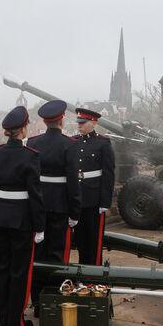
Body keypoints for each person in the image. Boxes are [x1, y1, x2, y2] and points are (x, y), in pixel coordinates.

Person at [0, 106, 45, 326]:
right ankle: (16, 325)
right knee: (20, 273)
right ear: (23, 129)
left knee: (2, 272)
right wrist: (39, 226)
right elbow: (35, 196)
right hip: (21, 221)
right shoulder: (30, 156)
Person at [27, 100, 81, 314]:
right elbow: (73, 184)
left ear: (44, 120)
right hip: (60, 207)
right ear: (61, 119)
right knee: (57, 255)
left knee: (37, 255)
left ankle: (38, 302)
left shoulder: (33, 142)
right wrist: (74, 212)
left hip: (38, 205)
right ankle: (55, 299)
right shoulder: (70, 144)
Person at [73, 107, 115, 266]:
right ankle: (82, 270)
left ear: (93, 122)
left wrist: (105, 202)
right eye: (78, 122)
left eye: (83, 123)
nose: (79, 126)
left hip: (94, 198)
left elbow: (108, 174)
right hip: (78, 197)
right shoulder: (74, 142)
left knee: (94, 240)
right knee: (80, 239)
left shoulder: (103, 143)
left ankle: (94, 272)